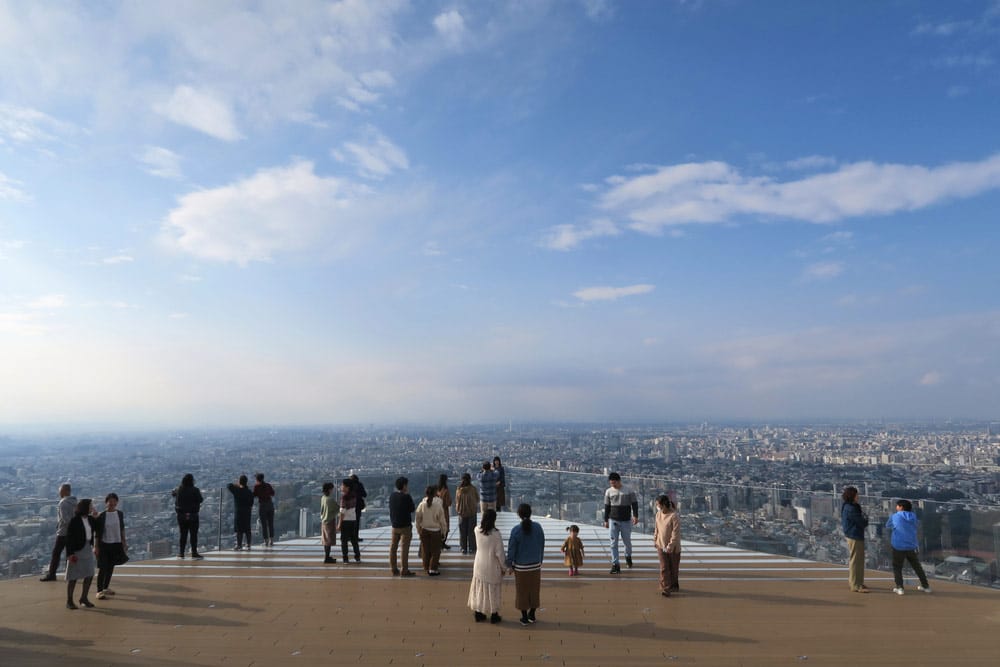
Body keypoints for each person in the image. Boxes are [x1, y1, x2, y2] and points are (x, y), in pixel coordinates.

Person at [507, 503, 545, 626]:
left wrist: (510, 565)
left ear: (519, 514)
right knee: (534, 590)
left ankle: (524, 617)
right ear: (530, 513)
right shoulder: (538, 527)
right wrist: (540, 560)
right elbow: (541, 545)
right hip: (535, 565)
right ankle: (532, 614)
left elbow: (511, 550)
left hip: (521, 567)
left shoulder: (516, 530)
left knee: (522, 591)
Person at [885, 499, 932, 595]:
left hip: (898, 545)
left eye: (897, 506)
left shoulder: (895, 516)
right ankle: (926, 586)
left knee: (897, 567)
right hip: (911, 545)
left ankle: (900, 587)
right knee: (917, 566)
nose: (896, 507)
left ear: (901, 507)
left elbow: (888, 525)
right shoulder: (913, 517)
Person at [468, 509, 505, 624]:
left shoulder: (476, 530)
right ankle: (494, 614)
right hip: (492, 566)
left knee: (480, 589)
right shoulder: (496, 534)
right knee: (492, 590)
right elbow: (500, 554)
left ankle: (479, 612)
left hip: (479, 564)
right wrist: (505, 567)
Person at [65, 498, 98, 610]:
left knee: (89, 574)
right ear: (85, 507)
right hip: (77, 551)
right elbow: (69, 538)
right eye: (90, 506)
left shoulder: (90, 519)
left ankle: (84, 598)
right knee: (73, 576)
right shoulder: (74, 521)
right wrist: (70, 554)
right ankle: (69, 601)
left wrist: (96, 516)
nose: (92, 507)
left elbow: (98, 528)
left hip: (87, 549)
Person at [603, 472, 638, 574]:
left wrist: (635, 516)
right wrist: (606, 520)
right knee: (613, 543)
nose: (613, 485)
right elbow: (607, 507)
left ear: (619, 481)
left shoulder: (628, 490)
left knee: (627, 542)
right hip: (613, 519)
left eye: (614, 483)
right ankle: (615, 564)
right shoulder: (608, 491)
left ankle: (628, 556)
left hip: (626, 520)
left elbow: (634, 504)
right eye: (611, 483)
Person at [41, 483, 76, 581]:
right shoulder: (75, 501)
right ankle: (70, 574)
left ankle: (52, 574)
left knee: (56, 553)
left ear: (66, 491)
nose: (59, 493)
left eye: (61, 491)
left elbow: (65, 519)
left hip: (63, 532)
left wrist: (62, 526)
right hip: (73, 533)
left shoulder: (63, 503)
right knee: (70, 554)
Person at [95, 493, 127, 600]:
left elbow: (122, 528)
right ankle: (99, 591)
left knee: (110, 567)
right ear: (106, 502)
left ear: (117, 502)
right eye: (110, 501)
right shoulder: (102, 515)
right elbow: (97, 533)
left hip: (116, 543)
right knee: (103, 568)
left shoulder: (120, 514)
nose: (112, 503)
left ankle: (105, 587)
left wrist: (124, 542)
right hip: (104, 544)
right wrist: (96, 547)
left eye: (114, 501)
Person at [841, 486, 869, 593]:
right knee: (856, 560)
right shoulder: (852, 508)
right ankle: (855, 585)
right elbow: (861, 522)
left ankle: (858, 582)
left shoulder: (847, 506)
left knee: (858, 560)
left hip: (853, 534)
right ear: (852, 495)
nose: (858, 496)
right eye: (857, 494)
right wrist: (865, 519)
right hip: (854, 535)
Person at [415, 484, 446, 575]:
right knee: (435, 551)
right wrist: (444, 531)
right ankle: (433, 569)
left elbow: (417, 518)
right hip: (435, 531)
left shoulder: (422, 504)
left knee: (425, 550)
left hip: (424, 530)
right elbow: (442, 521)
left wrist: (418, 529)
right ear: (435, 493)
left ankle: (426, 566)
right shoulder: (438, 505)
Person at [653, 495, 681, 596]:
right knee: (664, 567)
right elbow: (656, 528)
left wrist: (670, 545)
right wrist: (655, 539)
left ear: (664, 505)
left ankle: (674, 585)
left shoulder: (674, 516)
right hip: (661, 544)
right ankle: (666, 588)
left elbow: (675, 533)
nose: (657, 506)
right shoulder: (658, 514)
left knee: (673, 567)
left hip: (673, 547)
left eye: (658, 505)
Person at [389, 476, 416, 576]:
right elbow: (412, 509)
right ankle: (404, 570)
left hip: (394, 526)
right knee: (404, 549)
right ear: (404, 486)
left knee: (393, 548)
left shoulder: (392, 496)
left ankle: (393, 568)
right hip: (405, 526)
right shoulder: (406, 497)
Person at [173, 473, 204, 559]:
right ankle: (194, 552)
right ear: (192, 481)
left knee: (183, 534)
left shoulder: (179, 489)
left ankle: (181, 553)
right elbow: (201, 500)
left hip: (181, 515)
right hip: (193, 515)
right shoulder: (195, 490)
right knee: (193, 534)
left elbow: (173, 493)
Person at [455, 473, 480, 555]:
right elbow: (477, 499)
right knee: (471, 532)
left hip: (462, 513)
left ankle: (463, 548)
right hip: (472, 512)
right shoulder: (473, 489)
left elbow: (457, 501)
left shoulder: (459, 490)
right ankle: (472, 548)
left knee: (463, 532)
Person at [228, 475, 255, 551]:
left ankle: (239, 545)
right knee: (247, 528)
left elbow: (229, 485)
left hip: (239, 512)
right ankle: (248, 544)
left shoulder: (237, 490)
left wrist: (236, 485)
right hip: (247, 512)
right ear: (246, 482)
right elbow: (251, 503)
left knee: (239, 530)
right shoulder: (249, 492)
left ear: (239, 482)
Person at [338, 479, 362, 563]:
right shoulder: (353, 495)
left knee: (344, 541)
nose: (341, 487)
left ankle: (345, 558)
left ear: (347, 487)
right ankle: (357, 557)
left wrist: (339, 524)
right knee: (354, 540)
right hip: (353, 520)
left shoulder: (344, 497)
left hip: (345, 521)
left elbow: (342, 512)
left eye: (343, 485)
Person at [253, 473, 276, 547]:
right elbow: (273, 493)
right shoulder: (268, 485)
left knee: (264, 525)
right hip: (270, 504)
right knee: (270, 523)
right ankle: (271, 541)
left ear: (257, 479)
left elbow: (254, 495)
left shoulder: (257, 486)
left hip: (262, 505)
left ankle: (266, 541)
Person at [320, 482, 339, 564]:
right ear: (329, 489)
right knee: (329, 540)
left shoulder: (323, 498)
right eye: (332, 489)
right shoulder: (330, 500)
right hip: (330, 520)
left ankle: (327, 556)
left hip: (324, 520)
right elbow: (337, 508)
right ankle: (327, 557)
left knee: (325, 539)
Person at [437, 473, 453, 550]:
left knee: (439, 527)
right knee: (445, 527)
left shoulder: (437, 489)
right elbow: (448, 502)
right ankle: (442, 543)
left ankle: (439, 543)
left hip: (437, 510)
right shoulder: (446, 490)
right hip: (444, 510)